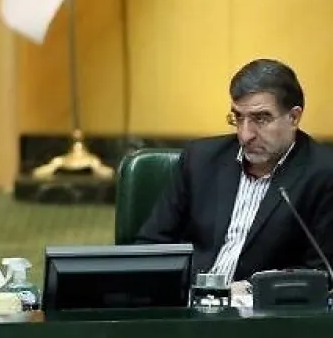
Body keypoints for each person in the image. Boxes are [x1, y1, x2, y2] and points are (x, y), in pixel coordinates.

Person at [135, 59, 333, 280]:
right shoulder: (200, 159)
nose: (245, 135)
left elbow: (320, 275)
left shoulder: (324, 174)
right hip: (188, 300)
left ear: (294, 117)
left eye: (261, 118)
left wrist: (249, 291)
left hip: (261, 310)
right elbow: (150, 246)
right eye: (238, 117)